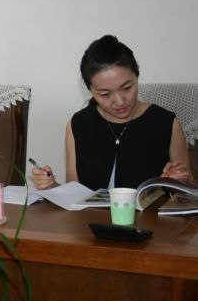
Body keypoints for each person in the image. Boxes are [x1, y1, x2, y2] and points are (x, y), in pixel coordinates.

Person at [32, 35, 194, 190]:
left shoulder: (165, 123)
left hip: (148, 212)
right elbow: (73, 193)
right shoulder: (79, 124)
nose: (120, 101)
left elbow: (192, 190)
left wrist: (179, 181)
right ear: (90, 90)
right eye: (105, 94)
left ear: (137, 76)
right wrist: (50, 186)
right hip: (89, 212)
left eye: (127, 88)